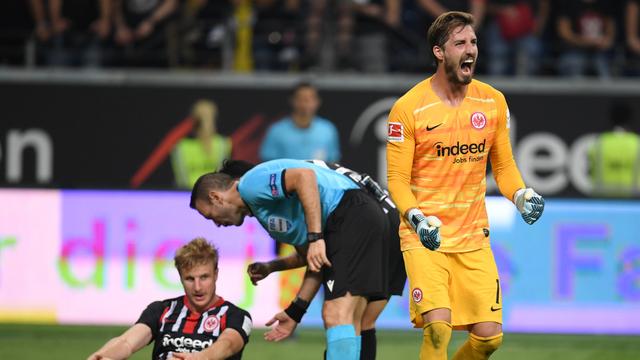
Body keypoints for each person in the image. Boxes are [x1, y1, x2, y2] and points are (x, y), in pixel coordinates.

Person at [386, 11, 544, 360]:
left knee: (489, 340)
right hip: (426, 236)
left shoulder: (492, 102)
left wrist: (521, 194)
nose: (470, 49)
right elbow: (396, 180)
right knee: (439, 329)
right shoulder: (408, 109)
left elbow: (503, 166)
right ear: (439, 52)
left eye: (473, 42)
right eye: (460, 43)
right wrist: (416, 219)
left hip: (473, 237)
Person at [190, 159, 392, 360]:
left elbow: (304, 177)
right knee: (352, 319)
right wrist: (292, 303)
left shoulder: (248, 185)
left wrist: (316, 238)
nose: (215, 224)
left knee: (336, 314)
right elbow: (313, 259)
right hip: (362, 216)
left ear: (215, 197)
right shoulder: (267, 213)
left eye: (209, 216)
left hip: (351, 212)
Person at [87, 238, 252, 360]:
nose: (198, 287)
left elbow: (228, 344)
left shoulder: (236, 316)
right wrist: (100, 356)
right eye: (189, 279)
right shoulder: (162, 310)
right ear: (180, 277)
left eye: (204, 277)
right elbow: (126, 342)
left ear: (216, 274)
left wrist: (202, 357)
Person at [260, 82, 341, 163]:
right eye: (301, 98)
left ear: (318, 102)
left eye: (310, 98)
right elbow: (268, 164)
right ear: (292, 100)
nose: (306, 103)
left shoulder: (328, 129)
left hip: (318, 175)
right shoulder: (276, 130)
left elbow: (333, 162)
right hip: (287, 175)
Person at [172, 99, 232, 189]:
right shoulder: (223, 143)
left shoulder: (180, 146)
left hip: (188, 195)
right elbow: (222, 178)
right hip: (214, 196)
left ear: (193, 120)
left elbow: (182, 180)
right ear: (215, 118)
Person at [588, 102, 640, 197]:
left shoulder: (598, 143)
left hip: (603, 202)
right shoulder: (637, 143)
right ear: (631, 120)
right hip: (634, 202)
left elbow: (590, 171)